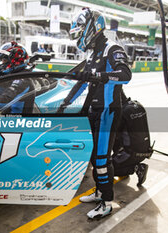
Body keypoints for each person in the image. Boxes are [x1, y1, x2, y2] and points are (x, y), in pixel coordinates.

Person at [62, 8, 131, 219]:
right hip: (94, 111)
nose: (78, 35)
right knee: (94, 158)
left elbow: (125, 75)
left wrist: (101, 75)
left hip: (108, 111)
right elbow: (83, 82)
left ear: (93, 27)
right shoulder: (93, 53)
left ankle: (107, 202)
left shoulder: (113, 48)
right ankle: (100, 192)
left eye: (81, 29)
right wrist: (65, 102)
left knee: (101, 159)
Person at [112, 91, 152, 185]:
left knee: (103, 170)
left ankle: (136, 168)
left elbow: (112, 135)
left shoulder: (121, 112)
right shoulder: (138, 105)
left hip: (130, 153)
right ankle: (132, 164)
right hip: (145, 150)